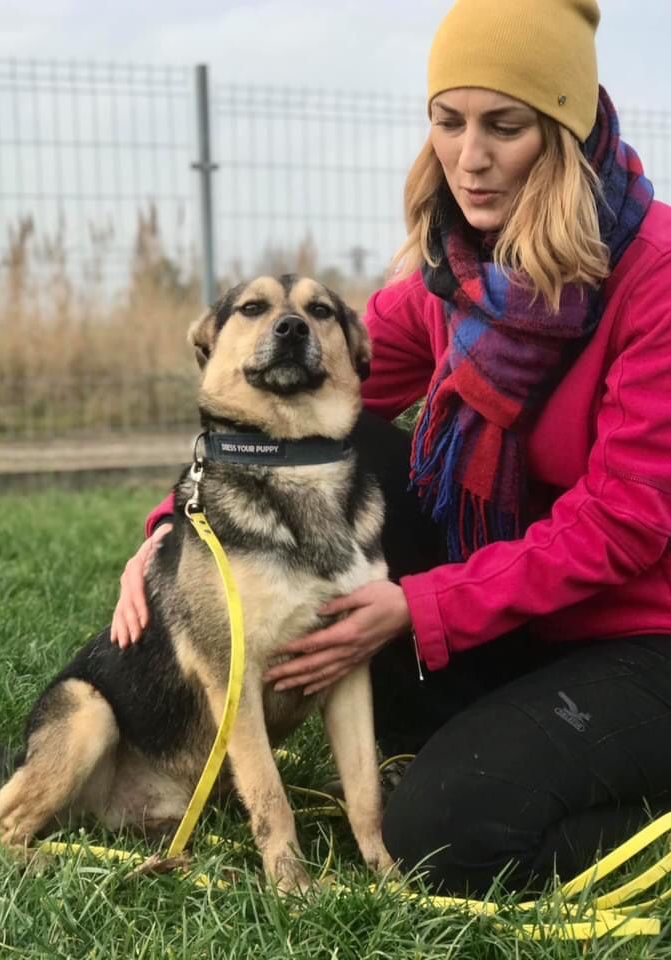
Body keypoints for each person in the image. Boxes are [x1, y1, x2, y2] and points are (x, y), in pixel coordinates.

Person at [111, 0, 671, 895]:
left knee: (446, 838)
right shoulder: (452, 274)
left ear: (564, 132)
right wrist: (180, 530)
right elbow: (300, 403)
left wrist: (420, 608)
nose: (471, 157)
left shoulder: (657, 276)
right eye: (448, 122)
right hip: (506, 617)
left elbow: (627, 523)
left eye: (506, 126)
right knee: (353, 427)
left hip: (639, 640)